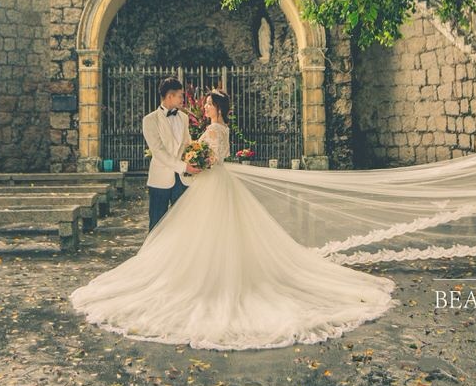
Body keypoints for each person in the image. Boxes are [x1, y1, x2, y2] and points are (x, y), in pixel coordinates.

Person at [70, 89, 398, 351]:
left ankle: (206, 278)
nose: (203, 106)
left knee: (206, 231)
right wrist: (191, 159)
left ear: (216, 108)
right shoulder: (216, 128)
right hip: (207, 182)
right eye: (203, 102)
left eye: (208, 103)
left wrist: (194, 161)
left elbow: (210, 158)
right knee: (209, 232)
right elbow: (197, 154)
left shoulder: (213, 129)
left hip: (209, 182)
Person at [141, 77, 201, 231]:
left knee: (183, 224)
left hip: (182, 180)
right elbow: (158, 151)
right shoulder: (150, 120)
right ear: (169, 96)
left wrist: (197, 156)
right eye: (180, 96)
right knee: (156, 224)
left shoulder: (184, 118)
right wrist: (184, 166)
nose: (183, 99)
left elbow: (187, 144)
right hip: (160, 180)